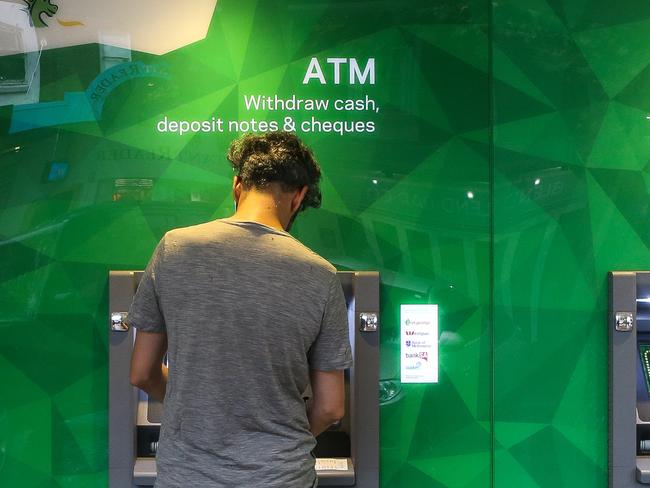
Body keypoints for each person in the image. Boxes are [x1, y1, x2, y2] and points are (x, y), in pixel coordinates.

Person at [127, 131, 353, 488]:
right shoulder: (321, 275)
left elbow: (141, 373)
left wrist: (199, 404)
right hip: (281, 476)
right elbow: (331, 407)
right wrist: (280, 436)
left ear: (237, 185)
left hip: (188, 476)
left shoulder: (175, 248)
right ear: (298, 198)